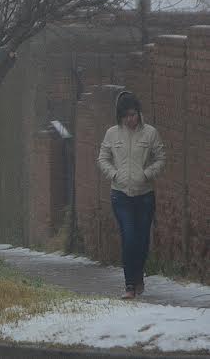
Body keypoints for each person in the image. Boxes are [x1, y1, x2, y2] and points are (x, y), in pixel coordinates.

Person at [97, 91, 165, 299]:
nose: (130, 119)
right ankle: (129, 285)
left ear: (139, 113)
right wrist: (114, 174)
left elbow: (161, 158)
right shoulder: (112, 134)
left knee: (142, 240)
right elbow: (103, 158)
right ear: (120, 117)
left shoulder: (150, 133)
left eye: (133, 114)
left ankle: (138, 277)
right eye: (126, 116)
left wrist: (147, 174)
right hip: (121, 195)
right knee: (128, 237)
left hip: (144, 195)